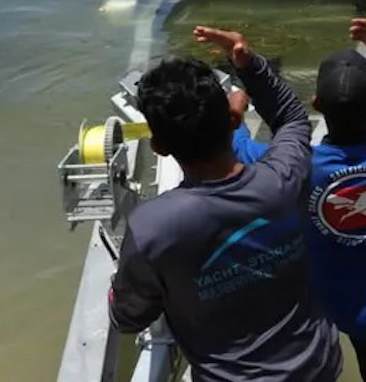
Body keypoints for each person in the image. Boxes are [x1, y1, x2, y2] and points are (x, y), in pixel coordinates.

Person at [107, 26, 343, 382]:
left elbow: (128, 317)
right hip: (316, 367)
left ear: (159, 147)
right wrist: (249, 65)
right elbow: (292, 119)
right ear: (233, 121)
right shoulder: (282, 179)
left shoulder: (153, 228)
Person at [233, 19, 366, 382]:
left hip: (317, 315)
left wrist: (235, 115)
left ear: (316, 103)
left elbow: (240, 150)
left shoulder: (297, 166)